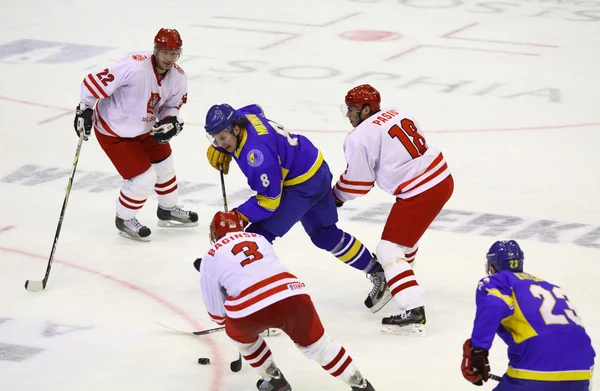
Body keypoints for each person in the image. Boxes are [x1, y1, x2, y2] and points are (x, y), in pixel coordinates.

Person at [203, 103, 391, 312]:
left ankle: (260, 302)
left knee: (257, 236)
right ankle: (379, 272)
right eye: (215, 138)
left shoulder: (257, 157)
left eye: (222, 137)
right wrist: (220, 146)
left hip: (302, 186)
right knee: (324, 234)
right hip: (316, 167)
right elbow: (256, 109)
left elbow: (269, 201)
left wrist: (239, 216)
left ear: (236, 129)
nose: (220, 143)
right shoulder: (241, 117)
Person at [198, 210, 376, 391]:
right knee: (320, 347)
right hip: (292, 294)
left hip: (248, 309)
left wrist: (236, 325)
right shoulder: (259, 238)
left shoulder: (210, 255)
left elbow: (217, 314)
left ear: (214, 233)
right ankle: (361, 384)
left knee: (244, 340)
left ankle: (275, 381)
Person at [333, 84, 454, 335]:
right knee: (404, 242)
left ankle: (413, 309)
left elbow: (359, 182)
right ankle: (395, 279)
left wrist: (335, 196)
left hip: (421, 190)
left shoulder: (359, 137)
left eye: (352, 109)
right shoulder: (399, 113)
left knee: (389, 248)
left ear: (366, 110)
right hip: (441, 179)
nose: (348, 115)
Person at [73, 28, 198, 241]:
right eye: (165, 52)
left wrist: (170, 121)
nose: (170, 58)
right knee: (143, 179)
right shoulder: (134, 66)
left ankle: (167, 210)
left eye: (174, 53)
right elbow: (94, 81)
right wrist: (85, 108)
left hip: (146, 129)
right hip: (115, 131)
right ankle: (124, 219)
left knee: (165, 166)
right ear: (155, 50)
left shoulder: (178, 77)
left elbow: (172, 105)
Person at [461, 240, 595, 390]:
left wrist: (478, 350)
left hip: (537, 364)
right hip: (582, 370)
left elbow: (495, 304)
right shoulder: (548, 285)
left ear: (492, 266)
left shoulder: (500, 281)